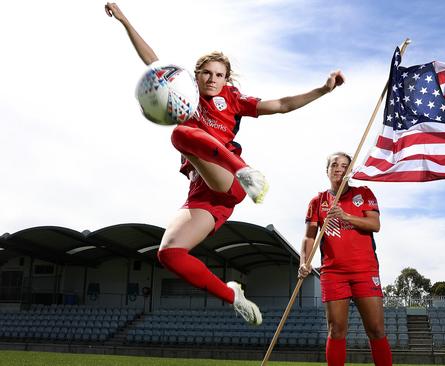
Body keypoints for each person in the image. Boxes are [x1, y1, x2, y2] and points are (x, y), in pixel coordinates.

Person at [105, 3, 345, 325]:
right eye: (206, 73)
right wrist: (124, 19)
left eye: (219, 74)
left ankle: (245, 170)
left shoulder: (232, 99)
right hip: (202, 193)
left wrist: (323, 89)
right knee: (169, 253)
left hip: (231, 177)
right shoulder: (184, 92)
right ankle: (233, 295)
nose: (212, 79)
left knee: (179, 133)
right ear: (196, 74)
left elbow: (283, 105)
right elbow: (153, 62)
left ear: (227, 78)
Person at [299, 152, 392, 365]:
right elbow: (309, 236)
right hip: (333, 272)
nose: (338, 168)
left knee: (376, 329)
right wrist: (304, 262)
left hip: (365, 270)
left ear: (350, 171)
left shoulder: (363, 192)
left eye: (343, 165)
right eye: (334, 164)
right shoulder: (318, 201)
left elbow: (375, 225)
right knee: (336, 329)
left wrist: (345, 216)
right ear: (327, 170)